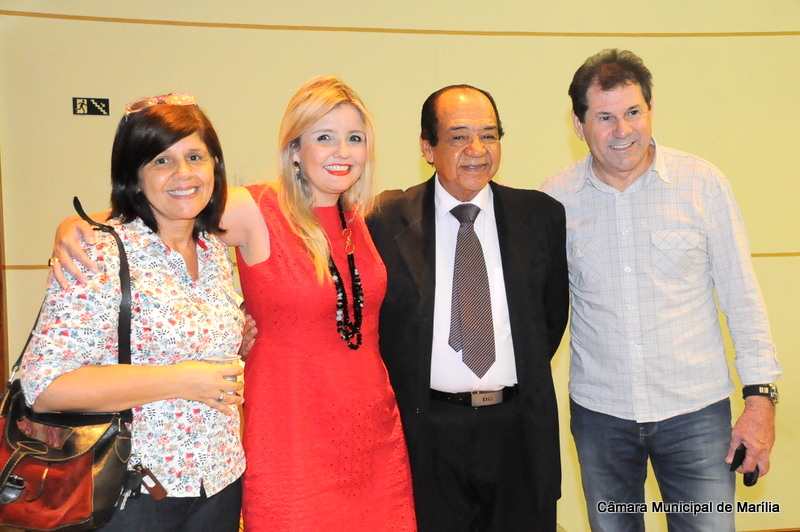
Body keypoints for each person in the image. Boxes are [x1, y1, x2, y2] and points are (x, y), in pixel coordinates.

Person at [51, 77, 416, 531]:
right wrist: (74, 226)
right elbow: (156, 210)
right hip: (293, 431)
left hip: (373, 432)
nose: (342, 151)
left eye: (354, 138)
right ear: (295, 149)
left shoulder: (360, 219)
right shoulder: (257, 208)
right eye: (325, 137)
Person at [540, 49, 782, 531]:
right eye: (605, 117)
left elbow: (743, 297)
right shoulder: (554, 199)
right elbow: (537, 313)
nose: (623, 130)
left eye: (633, 112)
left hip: (696, 413)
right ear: (578, 124)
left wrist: (760, 400)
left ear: (651, 109)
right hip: (600, 416)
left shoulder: (702, 184)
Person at [23, 94, 246, 531]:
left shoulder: (215, 251)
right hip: (131, 488)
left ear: (215, 166)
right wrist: (181, 380)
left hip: (219, 478)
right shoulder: (100, 253)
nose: (183, 174)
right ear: (135, 175)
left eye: (195, 157)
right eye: (162, 161)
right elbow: (43, 386)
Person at [366, 85, 569, 531]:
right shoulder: (383, 220)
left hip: (518, 431)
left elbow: (550, 320)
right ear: (427, 148)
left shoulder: (541, 216)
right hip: (427, 432)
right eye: (459, 137)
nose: (477, 150)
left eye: (489, 135)